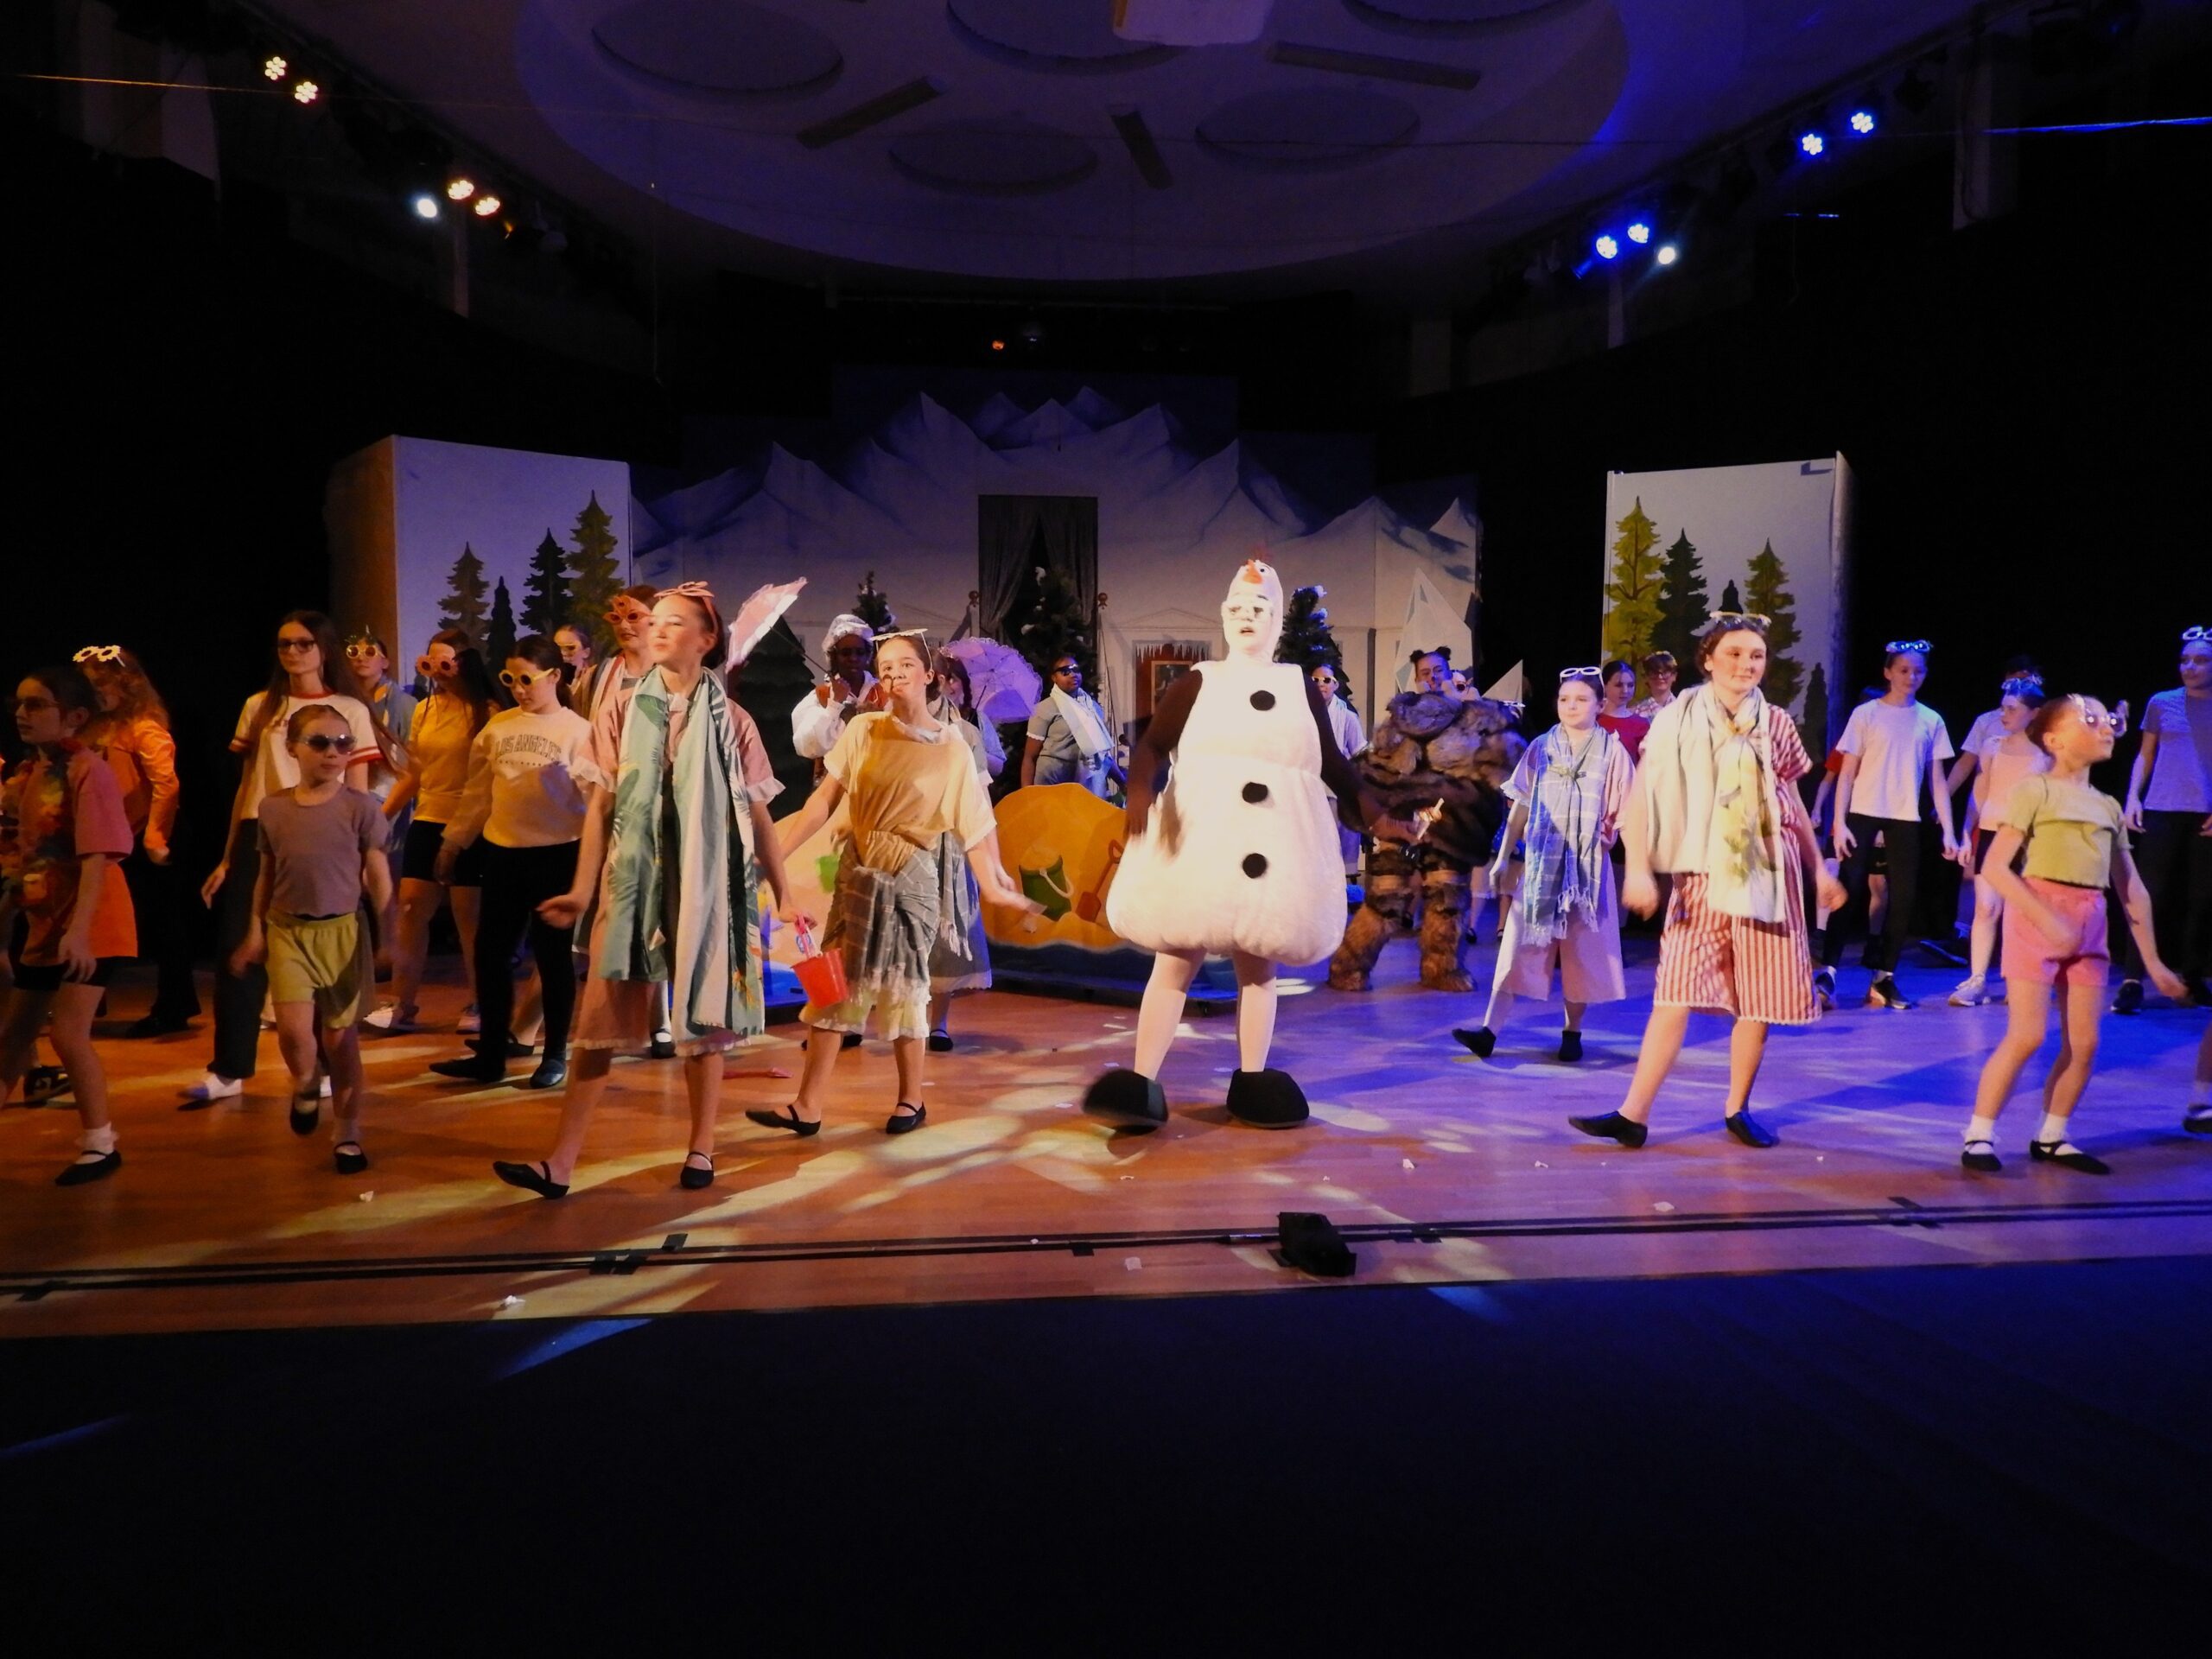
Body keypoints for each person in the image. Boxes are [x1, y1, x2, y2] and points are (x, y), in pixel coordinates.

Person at [493, 584, 792, 1198]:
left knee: (704, 1016)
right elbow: (601, 807)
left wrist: (783, 892)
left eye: (674, 622)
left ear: (706, 639)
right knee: (599, 1020)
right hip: (633, 879)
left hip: (706, 883)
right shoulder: (623, 710)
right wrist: (582, 890)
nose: (657, 629)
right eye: (655, 620)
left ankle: (702, 1147)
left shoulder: (732, 720)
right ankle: (561, 1162)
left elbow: (758, 813)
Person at [1082, 560, 1372, 1132]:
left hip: (1270, 844)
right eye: (1237, 608)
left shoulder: (1298, 687)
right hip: (1202, 840)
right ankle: (1141, 1082)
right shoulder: (1199, 681)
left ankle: (1254, 1077)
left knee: (1258, 964)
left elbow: (1334, 764)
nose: (1247, 617)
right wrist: (1139, 792)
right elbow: (1153, 745)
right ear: (1222, 615)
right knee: (1175, 957)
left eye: (1259, 609)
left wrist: (1377, 811)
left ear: (1277, 619)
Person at [1569, 615, 1846, 1150]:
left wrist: (1818, 869)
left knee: (1758, 998)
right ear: (1709, 660)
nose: (1746, 664)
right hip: (1699, 873)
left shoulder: (1775, 723)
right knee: (1674, 990)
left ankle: (1737, 1108)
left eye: (1756, 655)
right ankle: (1633, 1114)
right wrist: (1641, 868)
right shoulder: (1676, 719)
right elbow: (1643, 794)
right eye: (1735, 653)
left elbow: (1790, 804)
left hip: (1767, 873)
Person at [751, 632, 1035, 1138]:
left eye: (906, 664)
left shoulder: (952, 747)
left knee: (906, 987)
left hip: (911, 873)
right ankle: (807, 1105)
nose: (894, 672)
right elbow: (822, 803)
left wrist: (993, 886)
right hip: (859, 871)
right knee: (835, 986)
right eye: (885, 665)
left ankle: (911, 1098)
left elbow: (974, 823)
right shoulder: (863, 730)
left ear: (929, 675)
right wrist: (774, 855)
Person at [1960, 696, 2184, 1173]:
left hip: (2090, 922)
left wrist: (2154, 963)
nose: (2105, 728)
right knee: (2026, 1035)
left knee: (2084, 1044)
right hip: (2038, 913)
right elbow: (1996, 867)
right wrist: (2046, 920)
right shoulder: (2035, 791)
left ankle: (2052, 1135)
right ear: (2055, 739)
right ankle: (1979, 1134)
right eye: (2091, 720)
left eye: (2108, 721)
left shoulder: (2107, 805)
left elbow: (2131, 889)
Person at [189, 612, 378, 1105]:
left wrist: (359, 853)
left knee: (321, 949)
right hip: (263, 826)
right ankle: (230, 1068)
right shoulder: (261, 705)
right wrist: (227, 857)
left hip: (323, 833)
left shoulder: (349, 709)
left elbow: (358, 788)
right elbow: (248, 783)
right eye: (284, 644)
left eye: (303, 643)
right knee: (240, 949)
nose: (293, 652)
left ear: (324, 649)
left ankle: (319, 1069)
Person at [227, 705, 392, 1174]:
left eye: (342, 743)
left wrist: (389, 937)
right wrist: (255, 932)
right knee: (295, 1031)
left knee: (340, 1040)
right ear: (293, 748)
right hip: (288, 930)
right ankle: (304, 1080)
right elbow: (266, 875)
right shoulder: (274, 808)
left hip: (342, 933)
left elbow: (377, 874)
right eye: (319, 742)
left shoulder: (360, 808)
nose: (333, 752)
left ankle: (348, 1133)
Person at [429, 635, 595, 1089]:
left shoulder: (579, 732)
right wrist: (453, 843)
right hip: (503, 854)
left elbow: (595, 803)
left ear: (555, 676)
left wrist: (594, 865)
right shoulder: (498, 728)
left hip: (558, 854)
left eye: (527, 679)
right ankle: (491, 1055)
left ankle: (554, 1054)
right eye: (510, 679)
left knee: (553, 958)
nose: (519, 689)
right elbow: (477, 794)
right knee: (491, 955)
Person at [1, 664, 137, 1184]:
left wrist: (78, 933)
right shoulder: (29, 774)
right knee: (13, 1035)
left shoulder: (88, 771)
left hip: (93, 916)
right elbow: (27, 860)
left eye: (36, 704)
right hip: (48, 919)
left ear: (75, 717)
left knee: (67, 1033)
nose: (22, 713)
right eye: (19, 703)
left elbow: (97, 857)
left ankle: (100, 1144)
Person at [1453, 669, 1633, 1063]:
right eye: (1565, 699)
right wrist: (1503, 858)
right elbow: (1521, 805)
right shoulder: (1542, 747)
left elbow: (1627, 815)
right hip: (1541, 865)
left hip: (1588, 869)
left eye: (1581, 699)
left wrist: (1637, 871)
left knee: (1582, 953)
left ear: (1600, 705)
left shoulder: (1612, 752)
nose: (1571, 706)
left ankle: (1572, 1032)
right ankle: (1489, 1031)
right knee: (1519, 944)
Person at [1326, 669, 1522, 993]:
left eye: (1443, 675)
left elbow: (1503, 766)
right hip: (1402, 823)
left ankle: (1441, 968)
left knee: (1448, 898)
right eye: (1426, 674)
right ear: (1417, 680)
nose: (1434, 681)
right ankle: (1348, 966)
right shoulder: (1400, 723)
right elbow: (1378, 769)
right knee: (1386, 898)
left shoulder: (1481, 722)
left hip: (1451, 827)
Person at [367, 630, 499, 1033]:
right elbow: (415, 773)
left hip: (471, 822)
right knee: (410, 909)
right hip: (428, 818)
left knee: (469, 918)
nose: (438, 671)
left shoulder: (487, 710)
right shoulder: (425, 709)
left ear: (465, 662)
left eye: (447, 662)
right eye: (431, 662)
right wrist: (381, 817)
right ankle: (402, 1002)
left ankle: (481, 1002)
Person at [1819, 640, 1959, 1010]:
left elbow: (1938, 780)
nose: (1911, 677)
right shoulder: (1866, 714)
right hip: (1863, 812)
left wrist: (1948, 829)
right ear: (1888, 672)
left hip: (1905, 816)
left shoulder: (1931, 720)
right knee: (1848, 892)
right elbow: (1847, 772)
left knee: (1904, 898)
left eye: (1918, 671)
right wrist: (1839, 822)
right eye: (1903, 670)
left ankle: (1884, 977)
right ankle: (1827, 972)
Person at [76, 645, 198, 1036]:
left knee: (163, 924)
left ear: (125, 684)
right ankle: (86, 999)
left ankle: (174, 1006)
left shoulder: (144, 727)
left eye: (102, 683)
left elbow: (167, 784)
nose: (96, 692)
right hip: (111, 836)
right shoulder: (95, 726)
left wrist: (154, 836)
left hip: (146, 834)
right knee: (97, 917)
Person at [2120, 626, 2212, 1008]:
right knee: (2146, 895)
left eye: (2201, 660)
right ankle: (2132, 979)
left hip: (2205, 815)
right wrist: (2132, 798)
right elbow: (2145, 754)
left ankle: (2192, 977)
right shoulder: (2162, 702)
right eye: (2185, 660)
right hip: (2161, 807)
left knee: (2202, 899)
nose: (2190, 667)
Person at [1949, 677, 2050, 1005]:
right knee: (1986, 907)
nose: (2004, 714)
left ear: (2034, 713)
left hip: (2027, 838)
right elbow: (1980, 792)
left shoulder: (2046, 754)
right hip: (1992, 833)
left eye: (2012, 709)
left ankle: (2020, 979)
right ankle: (1977, 979)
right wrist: (1967, 832)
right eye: (2003, 708)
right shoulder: (1992, 745)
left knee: (2021, 912)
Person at [924, 649, 1001, 1052]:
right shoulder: (889, 726)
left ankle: (938, 1022)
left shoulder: (967, 732)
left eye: (953, 678)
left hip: (949, 843)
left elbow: (979, 799)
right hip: (902, 841)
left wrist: (992, 859)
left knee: (947, 930)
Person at [1020, 653, 1122, 797]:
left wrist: (1122, 782)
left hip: (1084, 779)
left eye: (1076, 670)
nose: (1073, 675)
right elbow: (1029, 757)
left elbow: (1102, 753)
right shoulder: (1045, 708)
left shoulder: (1091, 708)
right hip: (1052, 778)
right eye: (1065, 671)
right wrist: (1026, 795)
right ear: (1054, 677)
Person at [792, 613, 879, 778]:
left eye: (859, 652)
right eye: (846, 652)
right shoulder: (820, 696)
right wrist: (835, 704)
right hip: (834, 783)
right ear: (834, 656)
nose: (853, 658)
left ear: (867, 655)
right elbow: (809, 747)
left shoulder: (883, 693)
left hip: (878, 781)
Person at [1311, 663, 1366, 878]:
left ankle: (1343, 882)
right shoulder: (1303, 714)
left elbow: (1359, 751)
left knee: (1337, 838)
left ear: (1335, 685)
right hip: (1311, 786)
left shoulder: (1347, 716)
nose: (1321, 684)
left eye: (1327, 680)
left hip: (1336, 789)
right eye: (1315, 680)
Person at [1595, 659, 1650, 762]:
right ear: (1604, 686)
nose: (1625, 691)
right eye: (1619, 685)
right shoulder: (1593, 720)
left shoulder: (1641, 724)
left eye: (1630, 685)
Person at [553, 622, 599, 714]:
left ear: (586, 652)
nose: (563, 653)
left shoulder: (596, 680)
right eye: (556, 648)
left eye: (570, 648)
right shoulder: (548, 682)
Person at [1630, 650, 1680, 718]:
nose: (1660, 677)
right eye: (1654, 673)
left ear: (1674, 676)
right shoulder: (1636, 713)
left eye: (1665, 672)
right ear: (1646, 677)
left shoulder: (1684, 708)